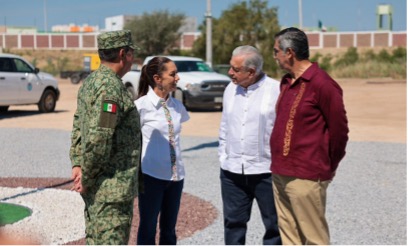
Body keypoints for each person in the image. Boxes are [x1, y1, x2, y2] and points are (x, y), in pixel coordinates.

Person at [270, 27, 349, 245]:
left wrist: (327, 166)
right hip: (280, 172)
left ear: (289, 53)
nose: (275, 56)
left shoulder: (323, 84)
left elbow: (339, 132)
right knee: (289, 237)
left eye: (276, 51)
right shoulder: (286, 83)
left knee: (314, 239)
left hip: (307, 175)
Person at [69, 30, 142, 245]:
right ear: (123, 54)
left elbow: (78, 125)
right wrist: (87, 178)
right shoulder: (110, 89)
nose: (132, 58)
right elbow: (99, 139)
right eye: (131, 53)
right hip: (110, 190)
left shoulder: (91, 82)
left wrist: (78, 164)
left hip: (99, 187)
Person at [218, 45, 281, 245]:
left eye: (235, 70)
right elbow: (225, 126)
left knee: (275, 227)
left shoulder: (277, 90)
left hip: (267, 172)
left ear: (251, 72)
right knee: (233, 224)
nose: (230, 73)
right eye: (230, 67)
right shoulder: (230, 89)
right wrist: (223, 157)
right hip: (232, 172)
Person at [135, 56, 190, 245]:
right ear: (158, 79)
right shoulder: (140, 107)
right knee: (148, 229)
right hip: (151, 177)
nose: (177, 78)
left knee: (169, 230)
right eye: (173, 74)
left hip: (176, 178)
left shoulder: (178, 107)